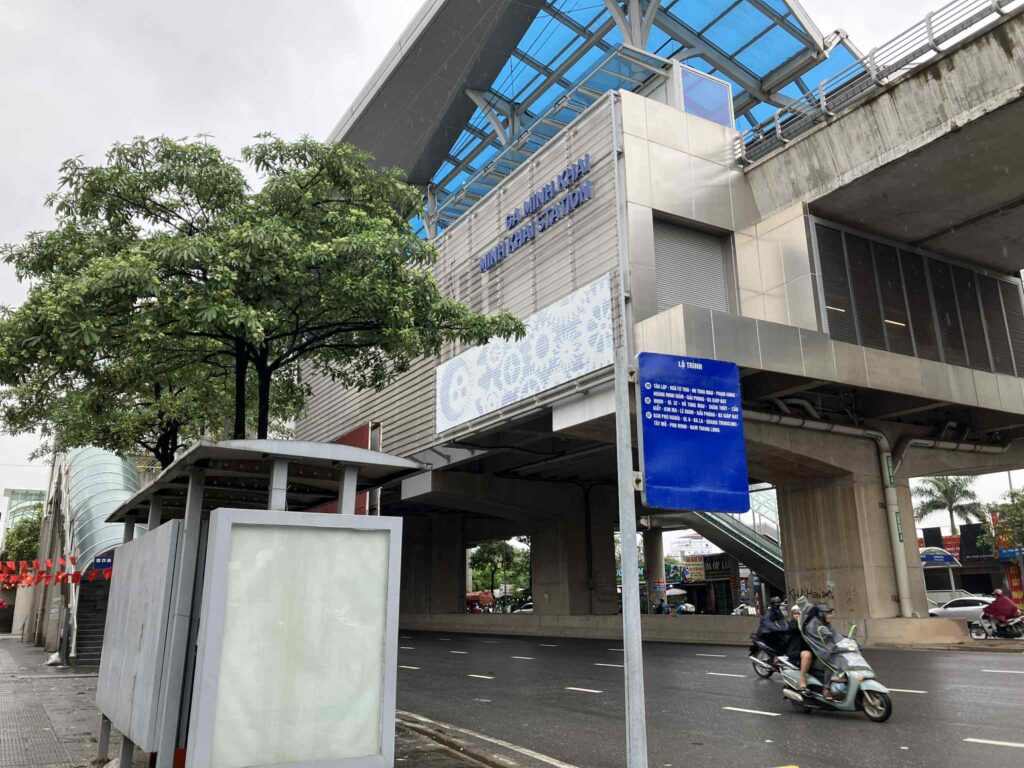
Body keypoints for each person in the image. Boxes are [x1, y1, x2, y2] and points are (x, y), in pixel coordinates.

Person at [798, 603, 842, 700]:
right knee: (831, 662)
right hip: (815, 653)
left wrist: (847, 641)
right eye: (828, 613)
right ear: (821, 614)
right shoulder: (813, 625)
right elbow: (823, 639)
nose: (831, 615)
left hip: (823, 651)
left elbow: (835, 635)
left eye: (830, 613)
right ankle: (826, 689)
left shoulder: (826, 624)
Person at [755, 597, 789, 661]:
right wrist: (780, 629)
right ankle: (776, 659)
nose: (777, 606)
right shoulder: (768, 613)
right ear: (772, 604)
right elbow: (768, 624)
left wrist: (789, 625)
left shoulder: (778, 612)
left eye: (778, 604)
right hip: (766, 633)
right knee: (780, 643)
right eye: (776, 604)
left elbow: (783, 620)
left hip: (774, 632)